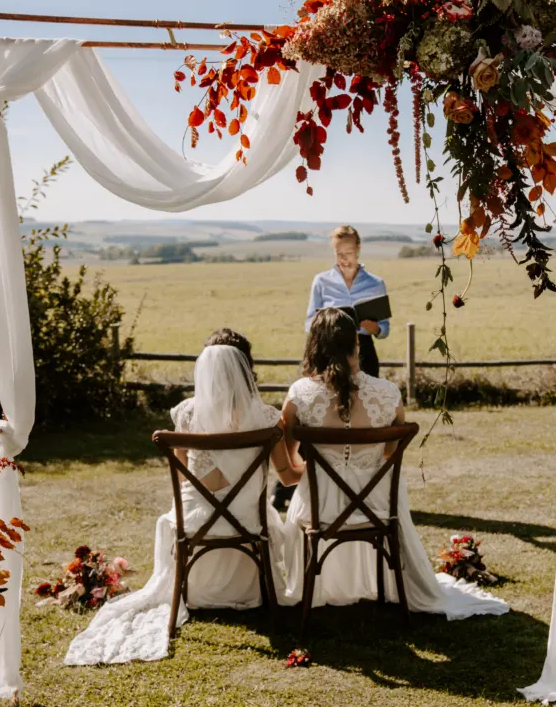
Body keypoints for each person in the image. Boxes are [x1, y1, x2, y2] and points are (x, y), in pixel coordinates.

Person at [65, 329, 302, 666]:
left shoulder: (187, 415)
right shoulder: (266, 417)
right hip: (248, 520)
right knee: (257, 507)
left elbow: (180, 476)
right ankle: (250, 591)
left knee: (189, 505)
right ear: (246, 368)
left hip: (196, 520)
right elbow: (285, 475)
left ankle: (192, 592)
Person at [281, 308, 510, 618]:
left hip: (319, 511)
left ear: (314, 347)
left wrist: (314, 472)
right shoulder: (388, 394)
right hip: (377, 508)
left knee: (302, 501)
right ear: (357, 345)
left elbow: (288, 465)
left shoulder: (299, 395)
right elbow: (389, 455)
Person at [306, 225, 389, 378]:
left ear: (358, 249)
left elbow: (385, 328)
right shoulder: (321, 281)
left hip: (364, 353)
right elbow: (309, 322)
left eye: (349, 253)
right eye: (339, 254)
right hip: (329, 353)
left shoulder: (376, 283)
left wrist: (376, 329)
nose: (344, 259)